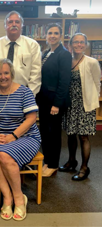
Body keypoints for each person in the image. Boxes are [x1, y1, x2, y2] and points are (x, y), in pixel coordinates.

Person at [0, 58, 41, 221]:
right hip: (0, 134)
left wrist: (13, 136)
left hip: (26, 136)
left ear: (11, 74)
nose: (3, 77)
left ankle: (19, 199)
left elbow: (31, 118)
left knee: (4, 156)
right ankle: (7, 197)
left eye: (6, 73)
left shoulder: (24, 92)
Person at [61, 33, 101, 181]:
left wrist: (92, 101)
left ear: (85, 45)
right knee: (70, 134)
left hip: (85, 105)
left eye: (81, 42)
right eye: (76, 42)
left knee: (83, 137)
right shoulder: (67, 61)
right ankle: (72, 161)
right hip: (70, 105)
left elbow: (97, 83)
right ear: (70, 45)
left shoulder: (91, 62)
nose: (79, 45)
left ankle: (84, 168)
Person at [36, 23, 72, 177]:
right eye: (50, 33)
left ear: (61, 36)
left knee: (54, 134)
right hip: (44, 100)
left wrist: (57, 104)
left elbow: (64, 81)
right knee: (44, 132)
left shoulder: (64, 54)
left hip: (55, 102)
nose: (52, 35)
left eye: (56, 33)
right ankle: (47, 161)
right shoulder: (46, 53)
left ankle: (54, 164)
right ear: (46, 35)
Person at [0, 11, 41, 96]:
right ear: (5, 25)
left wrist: (29, 96)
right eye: (10, 22)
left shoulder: (32, 45)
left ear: (22, 25)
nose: (14, 24)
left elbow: (35, 74)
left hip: (24, 93)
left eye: (17, 22)